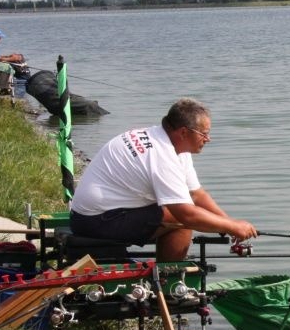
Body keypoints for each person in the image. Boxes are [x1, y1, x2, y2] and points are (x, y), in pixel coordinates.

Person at [69, 98, 258, 261]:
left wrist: (229, 224)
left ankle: (164, 276)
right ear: (184, 132)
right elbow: (187, 214)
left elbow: (196, 194)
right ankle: (169, 284)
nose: (208, 139)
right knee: (180, 219)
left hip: (102, 212)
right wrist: (232, 226)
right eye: (204, 134)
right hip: (94, 220)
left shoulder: (168, 142)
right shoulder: (161, 155)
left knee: (179, 209)